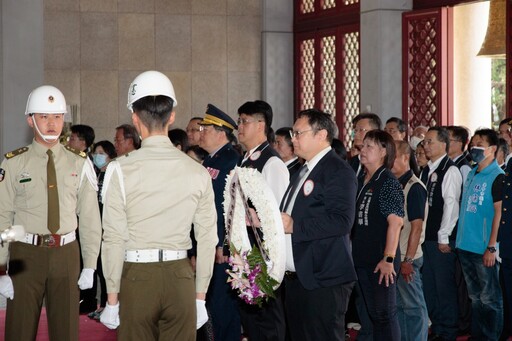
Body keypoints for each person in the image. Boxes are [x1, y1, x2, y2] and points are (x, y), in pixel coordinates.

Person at [100, 71, 218, 340]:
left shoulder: (119, 169)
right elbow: (207, 238)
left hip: (137, 277)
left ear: (134, 118)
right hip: (180, 277)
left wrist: (112, 297)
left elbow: (114, 238)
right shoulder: (198, 170)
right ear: (172, 116)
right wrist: (200, 296)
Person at [0, 85, 102, 340]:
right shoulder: (13, 162)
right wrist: (2, 268)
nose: (51, 124)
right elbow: (2, 216)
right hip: (25, 254)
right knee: (19, 330)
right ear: (30, 120)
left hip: (66, 254)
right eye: (44, 117)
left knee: (66, 331)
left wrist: (90, 264)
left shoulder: (79, 162)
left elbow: (89, 218)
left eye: (57, 117)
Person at [280, 108, 357, 341]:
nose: (293, 139)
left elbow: (342, 221)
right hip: (298, 277)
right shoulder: (302, 169)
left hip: (324, 277)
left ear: (321, 134)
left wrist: (295, 226)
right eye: (292, 133)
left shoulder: (337, 170)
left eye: (298, 133)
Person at [237, 100, 289, 341]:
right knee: (251, 320)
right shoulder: (245, 160)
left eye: (244, 121)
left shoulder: (272, 163)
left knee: (268, 321)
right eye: (239, 121)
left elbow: (276, 219)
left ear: (261, 125)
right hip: (247, 253)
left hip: (265, 258)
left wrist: (269, 265)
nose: (239, 127)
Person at [351, 129, 404, 340]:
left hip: (381, 260)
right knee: (370, 315)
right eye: (362, 146)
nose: (362, 150)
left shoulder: (387, 181)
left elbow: (396, 222)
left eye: (369, 146)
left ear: (383, 151)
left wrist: (388, 258)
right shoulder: (364, 179)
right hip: (362, 257)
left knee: (384, 314)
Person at [197, 103, 241, 341]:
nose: (201, 132)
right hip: (208, 241)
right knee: (211, 303)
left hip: (221, 247)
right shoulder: (210, 160)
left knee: (223, 306)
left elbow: (229, 206)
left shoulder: (231, 160)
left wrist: (223, 242)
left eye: (206, 128)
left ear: (221, 133)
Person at [456, 129, 504, 340]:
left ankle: (491, 337)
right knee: (475, 298)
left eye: (479, 144)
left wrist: (491, 246)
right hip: (465, 244)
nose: (473, 147)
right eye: (472, 143)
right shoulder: (472, 173)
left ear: (492, 149)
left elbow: (498, 214)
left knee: (490, 299)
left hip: (484, 247)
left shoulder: (498, 177)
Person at [420, 127, 462, 341]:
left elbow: (451, 206)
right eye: (425, 142)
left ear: (444, 144)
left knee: (443, 285)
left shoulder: (450, 170)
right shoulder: (426, 169)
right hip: (425, 237)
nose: (426, 145)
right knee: (429, 284)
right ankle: (436, 326)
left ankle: (448, 329)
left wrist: (443, 236)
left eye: (430, 141)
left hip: (441, 238)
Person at [391, 140, 429, 341]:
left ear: (406, 158)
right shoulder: (395, 184)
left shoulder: (414, 187)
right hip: (395, 255)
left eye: (393, 156)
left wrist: (408, 260)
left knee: (414, 306)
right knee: (399, 306)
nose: (388, 160)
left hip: (408, 256)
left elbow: (416, 227)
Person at [67, 123, 99, 314]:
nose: (69, 141)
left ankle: (88, 300)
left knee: (88, 261)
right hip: (73, 227)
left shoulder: (85, 163)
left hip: (84, 224)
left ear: (84, 142)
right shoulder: (67, 160)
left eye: (73, 138)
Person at [87, 140, 117, 321]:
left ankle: (108, 305)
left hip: (107, 230)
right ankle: (104, 305)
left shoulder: (112, 174)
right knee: (99, 268)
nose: (97, 156)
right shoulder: (98, 174)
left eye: (101, 153)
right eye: (95, 152)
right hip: (97, 228)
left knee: (107, 270)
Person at [349, 113, 382, 178]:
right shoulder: (351, 162)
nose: (356, 134)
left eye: (361, 130)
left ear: (374, 132)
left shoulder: (381, 161)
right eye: (355, 130)